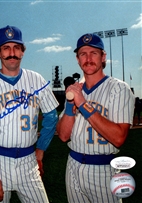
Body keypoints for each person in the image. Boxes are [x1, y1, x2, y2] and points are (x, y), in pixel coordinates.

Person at [0, 25, 59, 203]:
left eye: (16, 47)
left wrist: (40, 152)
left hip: (29, 161)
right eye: (6, 48)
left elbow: (51, 116)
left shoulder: (37, 80)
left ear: (22, 52)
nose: (11, 52)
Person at [56, 33, 135, 203]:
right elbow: (63, 136)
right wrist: (70, 106)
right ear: (78, 59)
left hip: (103, 169)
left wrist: (83, 104)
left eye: (94, 53)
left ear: (103, 57)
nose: (88, 58)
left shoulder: (119, 89)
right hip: (73, 166)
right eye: (83, 54)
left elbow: (119, 137)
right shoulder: (75, 90)